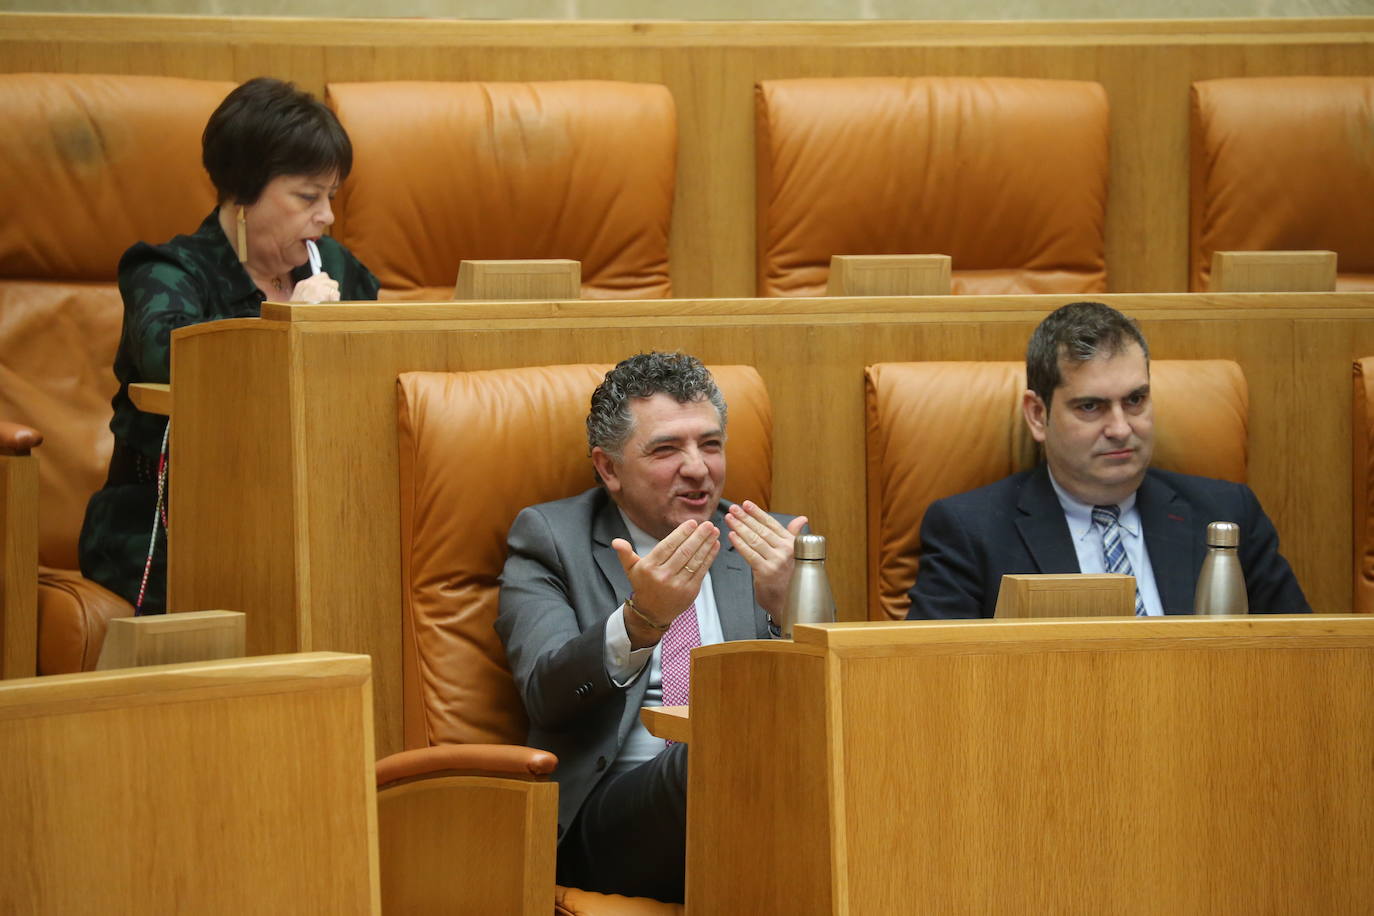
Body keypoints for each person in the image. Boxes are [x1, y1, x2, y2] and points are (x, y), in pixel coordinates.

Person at [495, 351, 807, 903]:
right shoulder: (550, 539)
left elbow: (832, 708)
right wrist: (642, 621)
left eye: (710, 444)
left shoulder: (770, 545)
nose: (698, 468)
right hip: (608, 813)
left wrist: (793, 613)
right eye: (667, 449)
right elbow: (546, 695)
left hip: (760, 795)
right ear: (609, 468)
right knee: (717, 750)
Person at [78, 77, 380, 612]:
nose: (327, 216)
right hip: (171, 523)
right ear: (243, 192)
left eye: (330, 197)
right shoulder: (168, 271)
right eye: (308, 197)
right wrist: (286, 326)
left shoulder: (337, 269)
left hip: (304, 515)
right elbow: (172, 362)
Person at [907, 301, 1310, 619]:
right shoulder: (970, 533)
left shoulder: (1226, 514)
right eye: (1090, 406)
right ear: (1038, 415)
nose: (1120, 428)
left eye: (1135, 400)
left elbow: (1299, 660)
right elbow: (935, 684)